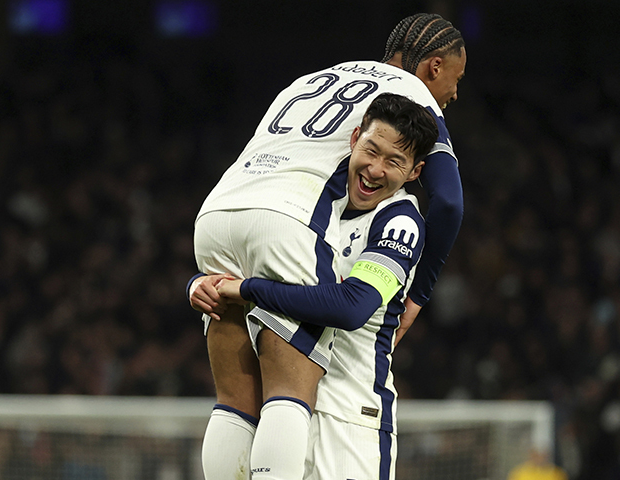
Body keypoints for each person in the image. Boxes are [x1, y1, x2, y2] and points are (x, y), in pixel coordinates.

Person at [190, 13, 466, 480]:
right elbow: (450, 203)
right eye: (456, 80)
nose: (454, 94)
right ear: (434, 68)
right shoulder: (410, 94)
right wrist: (419, 295)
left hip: (217, 211)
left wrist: (217, 285)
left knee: (235, 400)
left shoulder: (311, 80)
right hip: (287, 217)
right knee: (287, 391)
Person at [210, 93, 436, 479]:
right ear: (354, 139)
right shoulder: (309, 207)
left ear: (415, 172)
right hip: (286, 411)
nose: (375, 169)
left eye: (394, 161)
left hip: (351, 417)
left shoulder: (399, 222)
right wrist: (205, 284)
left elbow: (351, 307)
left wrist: (248, 290)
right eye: (371, 150)